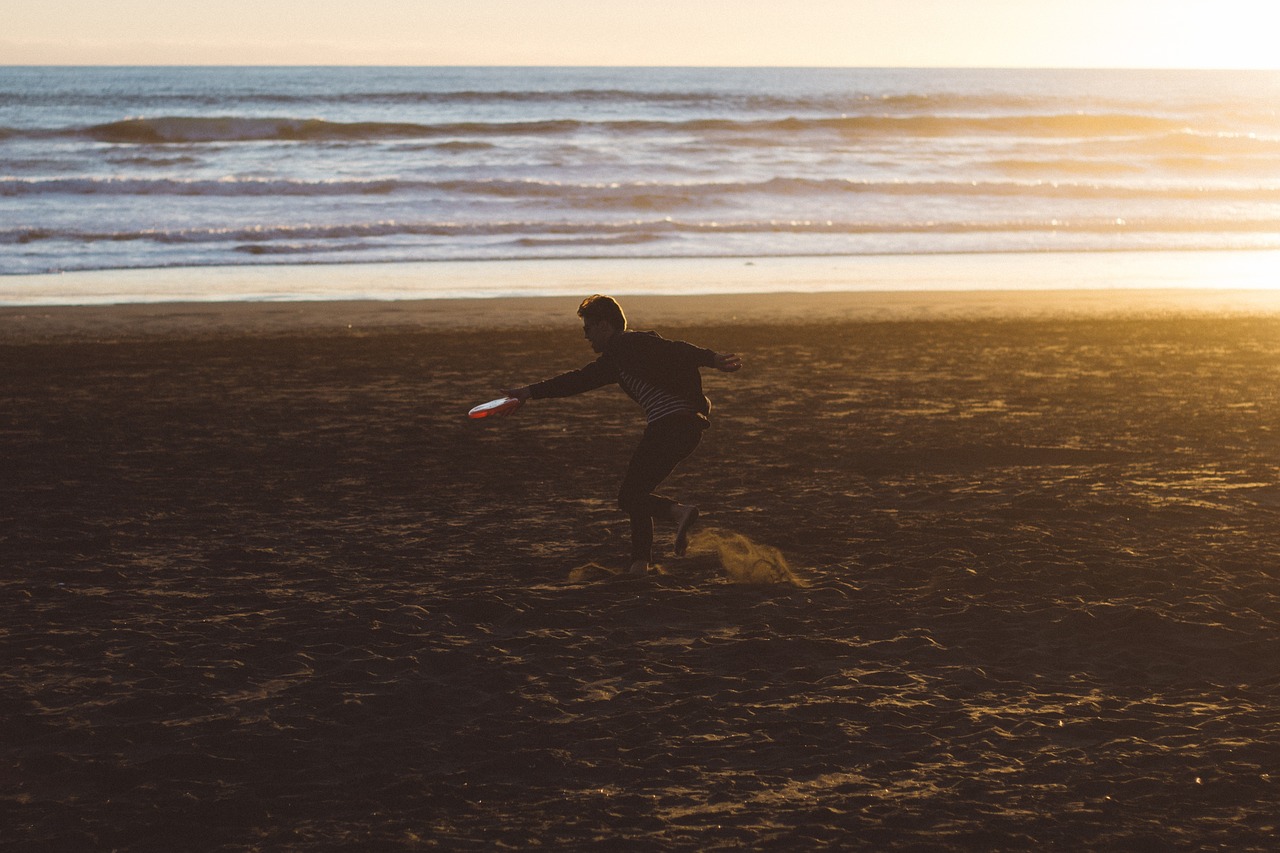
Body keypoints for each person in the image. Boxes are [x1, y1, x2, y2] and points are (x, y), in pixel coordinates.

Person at [506, 295, 742, 576]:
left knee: (630, 496)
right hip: (684, 429)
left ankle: (676, 517)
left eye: (588, 328)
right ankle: (639, 566)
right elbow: (577, 380)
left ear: (605, 326)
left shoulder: (630, 342)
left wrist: (712, 359)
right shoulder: (615, 360)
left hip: (670, 425)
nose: (586, 336)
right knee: (635, 494)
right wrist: (530, 392)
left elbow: (676, 349)